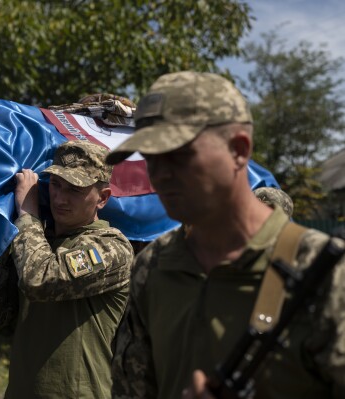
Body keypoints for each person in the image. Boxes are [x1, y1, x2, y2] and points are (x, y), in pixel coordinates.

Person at [106, 71, 345, 398]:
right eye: (150, 159)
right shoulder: (153, 267)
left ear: (238, 150)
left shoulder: (326, 273)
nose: (159, 175)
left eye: (178, 155)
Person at [0, 140, 134, 398]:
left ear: (103, 197)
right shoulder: (37, 243)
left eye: (75, 189)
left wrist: (27, 215)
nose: (60, 198)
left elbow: (39, 279)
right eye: (55, 185)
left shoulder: (112, 247)